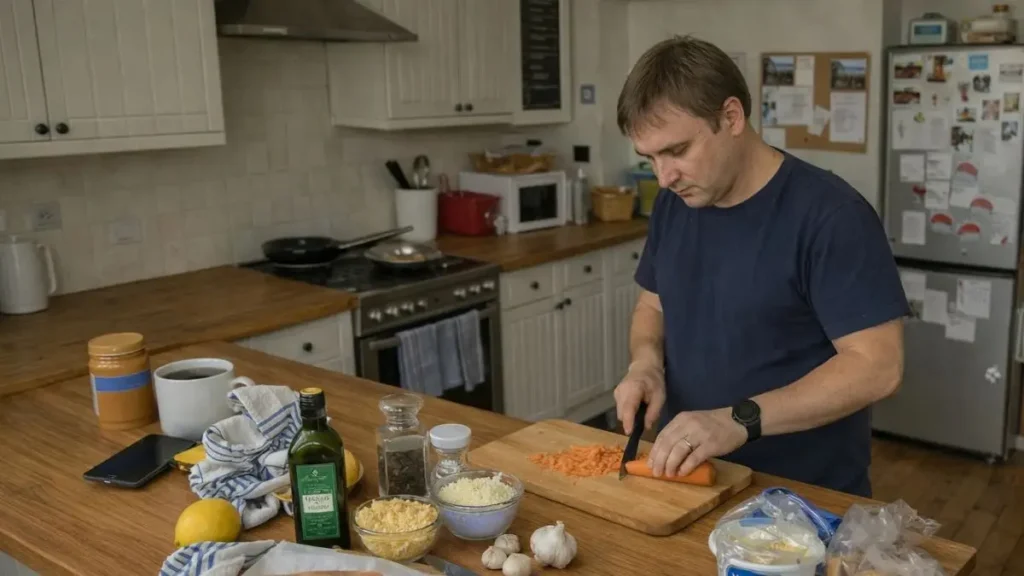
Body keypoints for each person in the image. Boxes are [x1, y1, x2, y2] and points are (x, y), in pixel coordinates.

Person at [613, 36, 909, 497]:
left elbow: (879, 366)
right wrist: (646, 363)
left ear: (731, 117)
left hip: (803, 498)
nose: (663, 177)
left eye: (677, 150)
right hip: (690, 481)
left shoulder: (832, 216)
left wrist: (738, 420)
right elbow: (652, 306)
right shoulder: (675, 204)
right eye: (649, 158)